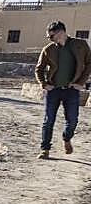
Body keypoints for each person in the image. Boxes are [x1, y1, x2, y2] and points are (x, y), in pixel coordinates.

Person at [35, 21, 90, 159]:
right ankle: (45, 149)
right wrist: (44, 84)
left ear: (61, 32)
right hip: (53, 90)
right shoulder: (48, 49)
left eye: (51, 36)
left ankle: (66, 138)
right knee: (48, 120)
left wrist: (81, 82)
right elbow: (39, 69)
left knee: (72, 120)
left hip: (72, 90)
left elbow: (89, 63)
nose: (50, 39)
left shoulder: (80, 45)